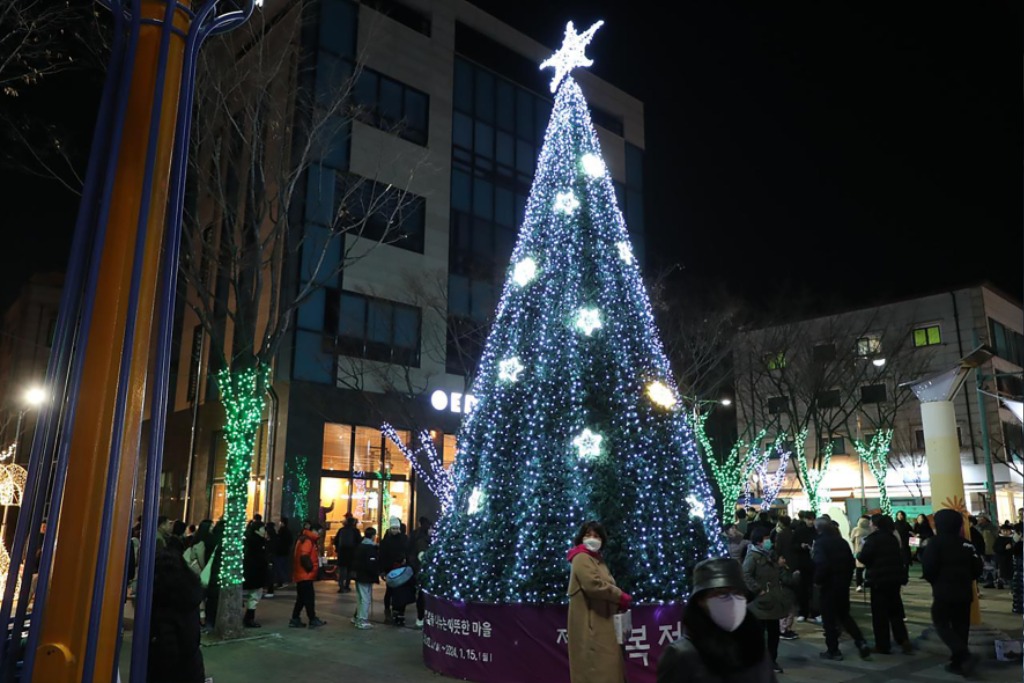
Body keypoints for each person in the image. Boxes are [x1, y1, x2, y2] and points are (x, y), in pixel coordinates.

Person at [657, 557, 777, 683]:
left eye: (738, 593)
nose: (733, 601)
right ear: (701, 600)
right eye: (722, 594)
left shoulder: (755, 647)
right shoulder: (682, 654)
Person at [566, 520, 630, 683]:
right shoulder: (581, 557)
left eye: (596, 536)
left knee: (609, 670)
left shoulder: (598, 560)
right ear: (581, 538)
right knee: (598, 671)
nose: (592, 539)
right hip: (592, 627)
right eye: (588, 535)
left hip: (603, 623)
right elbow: (593, 585)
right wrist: (619, 595)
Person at [921, 509, 983, 675]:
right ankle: (959, 664)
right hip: (964, 592)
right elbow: (978, 568)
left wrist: (935, 581)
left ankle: (964, 655)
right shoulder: (967, 544)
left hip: (943, 592)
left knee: (941, 622)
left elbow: (928, 568)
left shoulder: (935, 543)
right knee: (961, 626)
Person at [812, 518, 871, 661]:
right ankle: (860, 641)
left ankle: (833, 650)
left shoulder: (820, 543)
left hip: (828, 585)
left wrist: (818, 581)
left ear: (818, 529)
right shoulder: (841, 541)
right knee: (844, 615)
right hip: (842, 585)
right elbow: (851, 562)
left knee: (829, 619)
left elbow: (822, 564)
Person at [147, 548, 206, 683]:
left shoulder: (163, 607)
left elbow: (166, 652)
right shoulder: (189, 595)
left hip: (170, 674)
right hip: (193, 668)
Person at [857, 514, 912, 655]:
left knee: (880, 615)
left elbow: (863, 557)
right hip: (894, 579)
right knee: (895, 611)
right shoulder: (892, 538)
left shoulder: (872, 539)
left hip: (879, 580)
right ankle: (903, 640)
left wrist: (860, 551)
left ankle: (883, 645)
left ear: (875, 525)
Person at [742, 529, 790, 673]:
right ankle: (758, 660)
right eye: (766, 538)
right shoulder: (752, 556)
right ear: (758, 541)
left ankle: (771, 660)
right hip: (761, 602)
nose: (769, 541)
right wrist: (758, 590)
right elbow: (746, 574)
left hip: (773, 600)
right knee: (759, 633)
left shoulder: (770, 555)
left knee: (774, 633)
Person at [290, 522, 326, 628]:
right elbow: (304, 556)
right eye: (319, 532)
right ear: (315, 530)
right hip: (305, 575)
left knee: (301, 598)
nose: (320, 534)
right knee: (309, 598)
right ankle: (312, 618)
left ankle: (295, 618)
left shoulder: (305, 539)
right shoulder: (308, 540)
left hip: (302, 574)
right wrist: (310, 568)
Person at [772, 515, 799, 641]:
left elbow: (778, 549)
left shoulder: (781, 535)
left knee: (785, 601)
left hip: (784, 566)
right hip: (793, 566)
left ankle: (783, 629)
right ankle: (785, 628)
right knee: (790, 601)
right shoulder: (793, 533)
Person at [379, 516, 409, 623]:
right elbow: (382, 556)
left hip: (401, 568)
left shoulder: (404, 539)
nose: (395, 530)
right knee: (390, 591)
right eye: (393, 528)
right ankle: (388, 612)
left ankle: (399, 612)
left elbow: (407, 551)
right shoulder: (386, 541)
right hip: (390, 568)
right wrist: (382, 570)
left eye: (397, 528)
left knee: (400, 591)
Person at [242, 520, 269, 628]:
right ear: (257, 530)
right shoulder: (258, 542)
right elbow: (259, 558)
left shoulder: (248, 540)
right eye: (263, 529)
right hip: (255, 573)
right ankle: (249, 618)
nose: (264, 531)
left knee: (251, 596)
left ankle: (248, 618)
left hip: (250, 573)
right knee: (254, 596)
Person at [792, 511, 818, 623]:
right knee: (803, 590)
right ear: (805, 519)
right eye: (809, 519)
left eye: (812, 519)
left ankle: (815, 612)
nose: (811, 521)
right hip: (803, 564)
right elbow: (793, 546)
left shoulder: (817, 531)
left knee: (814, 591)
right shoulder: (799, 531)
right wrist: (801, 546)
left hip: (815, 564)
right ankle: (803, 612)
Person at [352, 526, 380, 629]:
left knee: (360, 597)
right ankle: (362, 619)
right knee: (365, 598)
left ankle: (358, 617)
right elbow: (371, 564)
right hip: (366, 576)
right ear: (373, 536)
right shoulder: (370, 548)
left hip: (359, 575)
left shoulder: (360, 546)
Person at [409, 516, 432, 628]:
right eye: (431, 528)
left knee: (422, 596)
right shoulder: (423, 541)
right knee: (423, 596)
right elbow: (421, 556)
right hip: (423, 572)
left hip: (419, 571)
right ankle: (421, 617)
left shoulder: (416, 536)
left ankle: (421, 617)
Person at [333, 513, 361, 593]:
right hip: (352, 553)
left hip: (342, 553)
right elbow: (359, 541)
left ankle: (341, 585)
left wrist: (338, 550)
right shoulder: (355, 531)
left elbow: (335, 541)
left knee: (342, 570)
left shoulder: (341, 530)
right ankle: (347, 585)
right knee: (349, 570)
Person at [974, 513, 998, 588]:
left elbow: (997, 538)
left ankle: (997, 581)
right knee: (986, 567)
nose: (979, 520)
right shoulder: (978, 528)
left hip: (992, 550)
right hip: (983, 551)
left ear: (986, 519)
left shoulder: (992, 528)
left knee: (994, 567)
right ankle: (989, 582)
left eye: (981, 518)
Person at [850, 515, 871, 592]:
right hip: (869, 551)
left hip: (858, 551)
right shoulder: (870, 529)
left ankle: (859, 585)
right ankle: (867, 582)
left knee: (859, 569)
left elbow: (851, 540)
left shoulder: (855, 529)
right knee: (869, 567)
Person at [993, 523, 1015, 590]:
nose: (1005, 532)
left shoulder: (1012, 539)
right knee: (1001, 572)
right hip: (1001, 559)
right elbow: (995, 548)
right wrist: (1004, 548)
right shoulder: (999, 539)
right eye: (1004, 530)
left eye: (1007, 531)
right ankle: (1000, 585)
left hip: (1009, 559)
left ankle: (1012, 586)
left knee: (1010, 573)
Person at [272, 516, 293, 588]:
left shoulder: (282, 531)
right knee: (283, 567)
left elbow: (279, 541)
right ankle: (282, 581)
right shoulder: (288, 531)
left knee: (279, 567)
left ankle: (282, 581)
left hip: (280, 552)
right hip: (285, 552)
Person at [263, 521, 278, 597]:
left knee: (270, 574)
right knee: (270, 574)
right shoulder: (274, 535)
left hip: (270, 557)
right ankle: (270, 590)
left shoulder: (270, 535)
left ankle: (270, 591)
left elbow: (269, 546)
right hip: (272, 556)